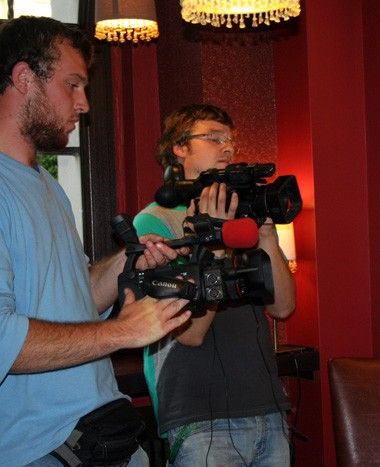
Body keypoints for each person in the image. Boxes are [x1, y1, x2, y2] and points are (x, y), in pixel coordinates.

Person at [0, 16, 193, 466]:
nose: (83, 103)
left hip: (103, 433)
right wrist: (124, 331)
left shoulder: (48, 187)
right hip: (40, 449)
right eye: (72, 85)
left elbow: (75, 298)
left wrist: (127, 260)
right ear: (24, 78)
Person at [132, 104, 296, 466]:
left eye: (231, 140)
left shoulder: (241, 216)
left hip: (266, 407)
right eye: (213, 137)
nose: (227, 147)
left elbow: (283, 307)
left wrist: (266, 236)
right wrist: (217, 245)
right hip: (200, 417)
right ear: (179, 147)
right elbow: (189, 332)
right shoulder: (155, 222)